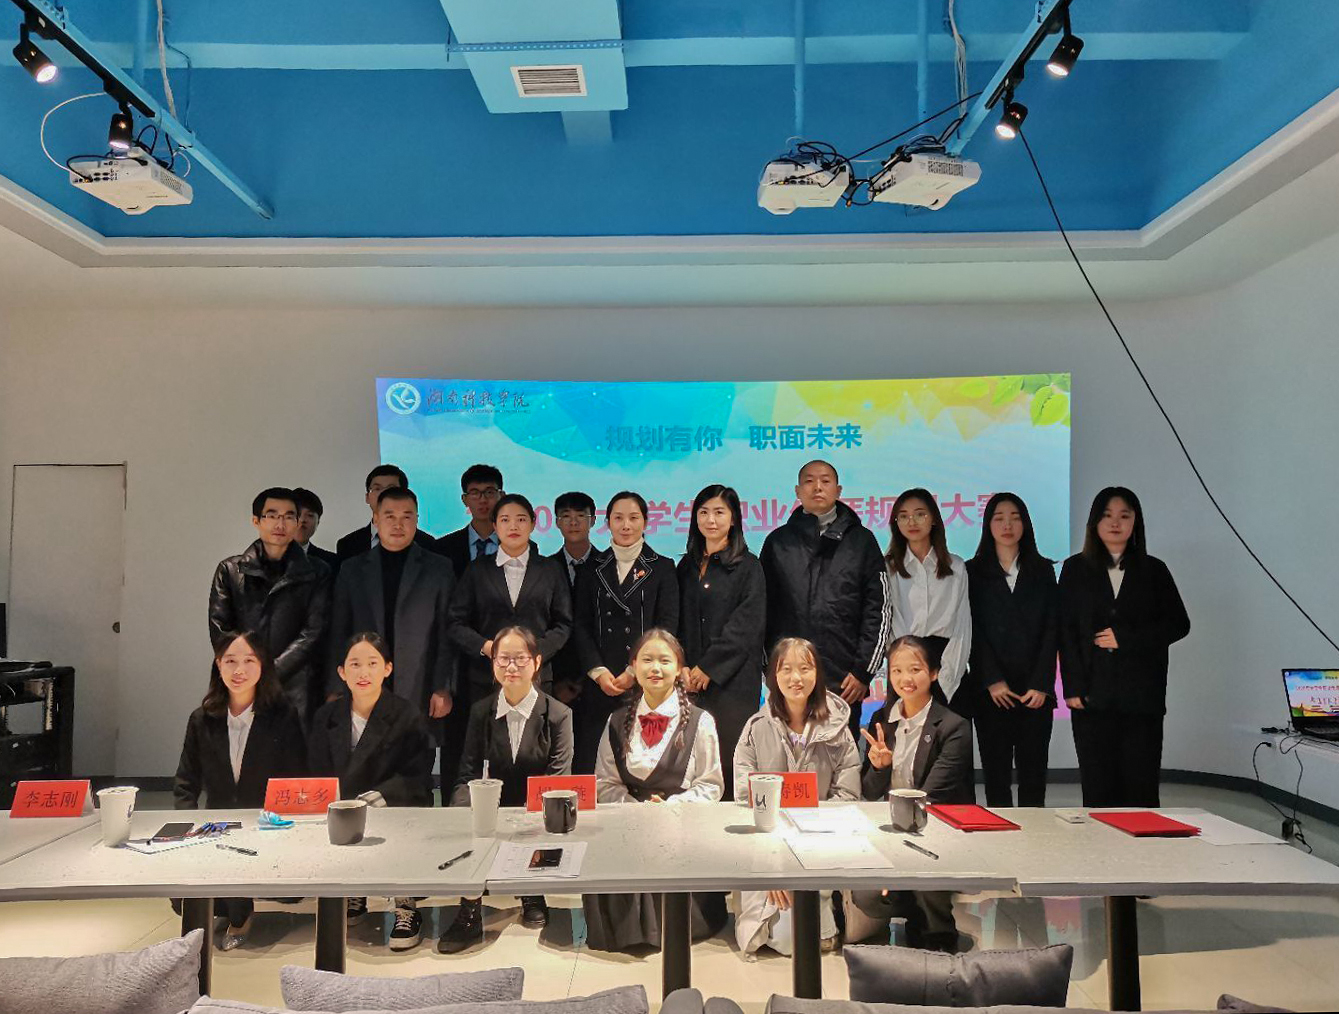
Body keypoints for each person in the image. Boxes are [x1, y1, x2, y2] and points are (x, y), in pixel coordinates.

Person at [583, 629, 727, 951]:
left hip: (683, 826)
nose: (656, 668)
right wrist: (638, 811)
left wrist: (671, 808)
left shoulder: (701, 722)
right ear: (634, 666)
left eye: (665, 661)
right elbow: (604, 783)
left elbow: (711, 784)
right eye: (647, 660)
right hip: (628, 823)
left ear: (679, 669)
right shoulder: (616, 720)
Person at [438, 626, 575, 954]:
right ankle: (470, 908)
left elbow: (556, 782)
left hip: (535, 812)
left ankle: (532, 892)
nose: (511, 667)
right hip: (491, 808)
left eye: (520, 659)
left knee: (547, 814)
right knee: (466, 810)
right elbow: (467, 774)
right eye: (503, 659)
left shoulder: (558, 715)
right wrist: (466, 813)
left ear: (537, 662)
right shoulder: (481, 711)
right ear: (493, 663)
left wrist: (523, 817)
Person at [173, 632, 306, 950]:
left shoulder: (283, 716)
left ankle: (239, 915)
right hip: (217, 823)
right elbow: (185, 781)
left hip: (266, 822)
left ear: (263, 666)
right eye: (230, 661)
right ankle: (225, 909)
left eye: (249, 661)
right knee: (181, 892)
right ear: (218, 665)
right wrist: (185, 827)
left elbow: (298, 777)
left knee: (240, 860)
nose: (239, 670)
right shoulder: (202, 719)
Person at [1059, 487, 1190, 807]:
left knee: (1140, 787)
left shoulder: (1154, 570)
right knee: (1097, 786)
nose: (1115, 523)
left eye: (1124, 516)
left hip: (1141, 698)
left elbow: (1178, 624)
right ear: (1094, 522)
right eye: (1107, 515)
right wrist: (1072, 688)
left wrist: (1127, 638)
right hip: (1091, 696)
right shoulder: (1075, 568)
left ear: (1136, 522)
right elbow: (1066, 631)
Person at [733, 637, 859, 957]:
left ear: (817, 674)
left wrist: (804, 843)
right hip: (767, 844)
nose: (796, 678)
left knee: (804, 935)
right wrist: (775, 866)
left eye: (805, 668)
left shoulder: (838, 729)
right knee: (788, 941)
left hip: (820, 842)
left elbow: (847, 795)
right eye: (786, 669)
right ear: (773, 676)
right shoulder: (755, 728)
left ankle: (823, 903)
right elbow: (745, 799)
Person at [309, 632, 436, 951]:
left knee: (406, 819)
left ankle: (405, 905)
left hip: (393, 804)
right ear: (342, 672)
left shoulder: (407, 714)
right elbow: (318, 772)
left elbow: (417, 773)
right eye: (355, 664)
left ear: (387, 669)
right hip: (344, 809)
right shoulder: (326, 717)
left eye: (372, 663)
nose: (363, 672)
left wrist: (374, 799)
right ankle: (353, 892)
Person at [851, 635, 974, 953]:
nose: (905, 678)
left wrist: (900, 857)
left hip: (934, 831)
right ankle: (913, 909)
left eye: (915, 669)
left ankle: (938, 931)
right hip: (892, 830)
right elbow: (869, 791)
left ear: (933, 673)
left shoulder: (954, 726)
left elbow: (932, 797)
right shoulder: (882, 720)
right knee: (865, 895)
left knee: (926, 880)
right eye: (897, 670)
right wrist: (880, 767)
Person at [445, 494, 572, 792]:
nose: (513, 526)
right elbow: (455, 622)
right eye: (504, 520)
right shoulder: (478, 570)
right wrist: (488, 648)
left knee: (534, 754)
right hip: (485, 678)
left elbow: (564, 623)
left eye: (521, 519)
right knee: (488, 757)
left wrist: (533, 654)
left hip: (537, 677)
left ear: (534, 524)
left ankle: (536, 808)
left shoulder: (550, 569)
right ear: (494, 526)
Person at [327, 486, 456, 767]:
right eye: (389, 516)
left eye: (407, 516)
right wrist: (336, 686)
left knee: (416, 773)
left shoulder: (439, 568)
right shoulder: (352, 568)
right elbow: (339, 630)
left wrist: (442, 687)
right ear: (375, 519)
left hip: (420, 686)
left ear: (417, 520)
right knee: (363, 770)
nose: (398, 524)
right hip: (364, 686)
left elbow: (446, 634)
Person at [760, 460, 891, 736]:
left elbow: (878, 610)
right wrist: (769, 668)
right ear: (797, 491)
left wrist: (863, 671)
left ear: (838, 490)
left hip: (844, 679)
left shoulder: (862, 541)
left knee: (841, 755)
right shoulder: (777, 543)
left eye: (825, 481)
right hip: (789, 676)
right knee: (787, 753)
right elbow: (760, 610)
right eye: (809, 481)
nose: (817, 487)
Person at [570, 491, 679, 774]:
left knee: (643, 762)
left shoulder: (663, 567)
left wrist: (635, 671)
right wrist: (597, 671)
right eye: (618, 518)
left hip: (646, 680)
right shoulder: (591, 568)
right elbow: (581, 624)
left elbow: (666, 625)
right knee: (593, 761)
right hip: (600, 681)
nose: (626, 525)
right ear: (607, 523)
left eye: (633, 518)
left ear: (646, 522)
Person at [964, 493, 1058, 807]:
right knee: (996, 778)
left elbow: (1051, 630)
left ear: (1026, 524)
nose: (1007, 525)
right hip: (991, 692)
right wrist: (992, 679)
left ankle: (1035, 835)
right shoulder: (973, 571)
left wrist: (1041, 684)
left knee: (1034, 776)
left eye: (1015, 518)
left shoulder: (1042, 570)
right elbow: (972, 630)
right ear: (987, 525)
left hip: (1035, 691)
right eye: (999, 518)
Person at [208, 487, 330, 721]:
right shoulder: (230, 571)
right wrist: (247, 669)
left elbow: (313, 632)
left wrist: (269, 673)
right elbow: (221, 629)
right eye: (272, 515)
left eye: (288, 517)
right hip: (242, 682)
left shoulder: (317, 571)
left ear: (297, 522)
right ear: (256, 521)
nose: (280, 524)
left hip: (297, 686)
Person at [677, 484, 765, 798]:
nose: (710, 520)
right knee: (691, 761)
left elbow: (746, 626)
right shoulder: (685, 566)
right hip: (689, 682)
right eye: (703, 512)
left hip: (733, 682)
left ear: (734, 518)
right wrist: (683, 666)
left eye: (719, 512)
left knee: (728, 757)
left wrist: (709, 668)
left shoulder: (749, 566)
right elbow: (677, 621)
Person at [885, 488, 972, 704]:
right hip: (904, 665)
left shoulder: (955, 566)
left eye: (920, 514)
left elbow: (962, 626)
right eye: (903, 516)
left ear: (933, 519)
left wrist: (947, 678)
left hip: (947, 663)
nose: (912, 522)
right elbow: (887, 621)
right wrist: (904, 665)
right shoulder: (888, 568)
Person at [548, 491, 601, 703]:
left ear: (593, 520)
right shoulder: (545, 568)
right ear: (557, 522)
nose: (573, 522)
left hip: (601, 675)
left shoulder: (608, 566)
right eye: (566, 516)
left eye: (580, 515)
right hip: (556, 675)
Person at [335, 465, 436, 564]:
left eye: (391, 488)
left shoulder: (427, 543)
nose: (383, 494)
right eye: (377, 489)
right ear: (367, 497)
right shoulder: (347, 544)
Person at [436, 464, 505, 579]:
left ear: (501, 496)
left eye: (489, 492)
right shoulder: (443, 547)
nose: (483, 500)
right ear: (464, 500)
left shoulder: (521, 546)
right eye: (475, 493)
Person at [292, 487, 339, 573]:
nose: (302, 520)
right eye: (297, 514)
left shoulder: (331, 562)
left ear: (318, 522)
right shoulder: (266, 558)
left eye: (310, 515)